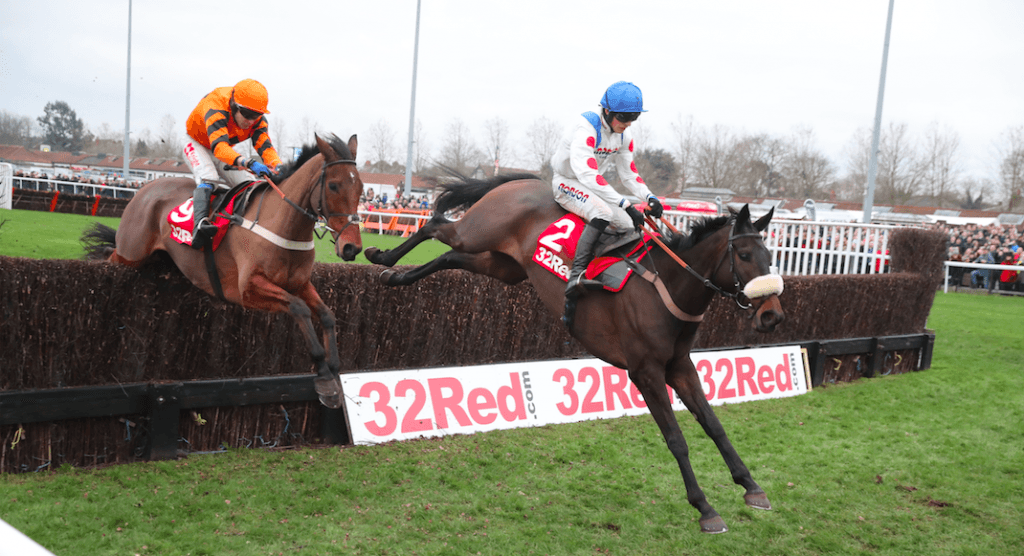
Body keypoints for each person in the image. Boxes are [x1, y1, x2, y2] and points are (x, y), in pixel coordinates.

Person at [550, 81, 663, 324]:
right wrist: (626, 205)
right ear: (608, 111)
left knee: (628, 224)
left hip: (590, 185)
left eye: (633, 118)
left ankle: (604, 265)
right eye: (624, 117)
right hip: (567, 181)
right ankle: (576, 276)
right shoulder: (586, 127)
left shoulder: (624, 135)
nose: (628, 123)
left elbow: (629, 175)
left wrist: (649, 197)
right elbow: (587, 174)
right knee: (603, 212)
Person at [183, 78, 283, 249]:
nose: (251, 121)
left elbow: (265, 146)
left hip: (222, 148)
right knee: (209, 177)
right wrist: (248, 162)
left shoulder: (257, 120)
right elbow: (219, 148)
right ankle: (200, 226)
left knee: (250, 184)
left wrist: (277, 165)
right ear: (234, 106)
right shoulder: (216, 105)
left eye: (256, 116)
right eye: (247, 115)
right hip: (197, 143)